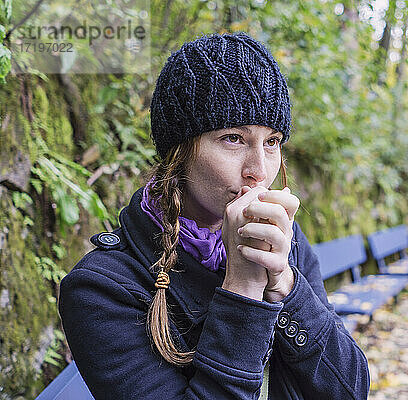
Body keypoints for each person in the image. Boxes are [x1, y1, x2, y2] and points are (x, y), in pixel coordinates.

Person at [58, 32, 370, 399]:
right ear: (181, 151)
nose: (259, 170)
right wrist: (243, 289)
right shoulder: (102, 289)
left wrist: (285, 282)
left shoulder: (287, 241)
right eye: (233, 139)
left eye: (271, 142)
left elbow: (349, 390)